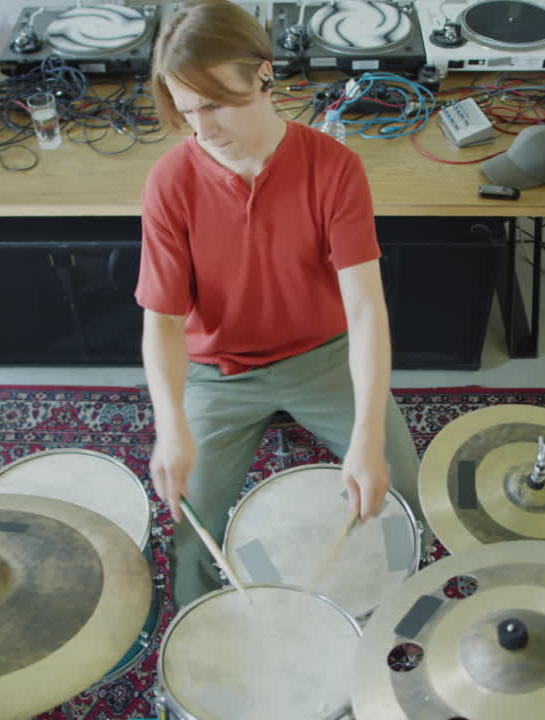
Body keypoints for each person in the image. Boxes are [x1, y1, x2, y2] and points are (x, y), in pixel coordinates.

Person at [135, 0, 425, 609]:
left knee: (405, 496)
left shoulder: (336, 168)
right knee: (190, 532)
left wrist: (368, 438)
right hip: (218, 373)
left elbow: (367, 313)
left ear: (264, 76)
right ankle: (207, 639)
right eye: (187, 111)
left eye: (216, 104)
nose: (203, 129)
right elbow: (160, 322)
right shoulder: (168, 181)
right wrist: (171, 423)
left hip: (324, 356)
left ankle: (399, 618)